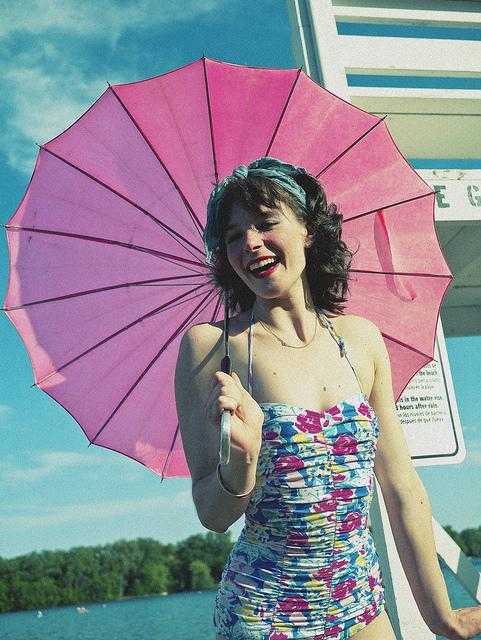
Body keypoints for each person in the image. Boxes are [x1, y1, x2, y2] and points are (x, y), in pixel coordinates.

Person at [174, 157, 481, 640]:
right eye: (233, 236)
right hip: (265, 613)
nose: (249, 242)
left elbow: (400, 486)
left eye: (265, 223)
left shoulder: (361, 339)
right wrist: (242, 459)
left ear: (308, 230)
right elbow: (212, 514)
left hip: (360, 603)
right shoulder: (212, 348)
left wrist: (441, 617)